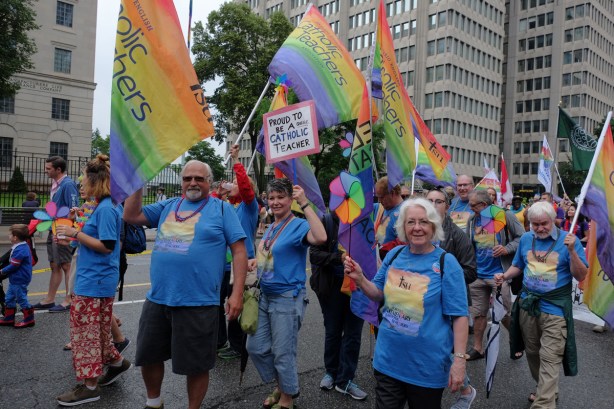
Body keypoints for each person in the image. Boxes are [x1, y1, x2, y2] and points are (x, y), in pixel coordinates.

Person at [124, 160, 248, 409]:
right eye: (188, 178)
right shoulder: (169, 205)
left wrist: (236, 294)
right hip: (158, 298)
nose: (193, 182)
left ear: (209, 182)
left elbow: (239, 252)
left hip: (199, 302)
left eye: (199, 179)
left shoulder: (223, 210)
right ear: (181, 182)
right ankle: (154, 401)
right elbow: (131, 215)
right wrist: (137, 184)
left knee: (197, 364)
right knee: (148, 356)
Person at [344, 198, 468, 409]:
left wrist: (459, 361)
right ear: (403, 227)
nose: (417, 228)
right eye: (411, 222)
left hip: (426, 366)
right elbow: (377, 293)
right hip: (388, 360)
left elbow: (459, 316)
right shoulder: (394, 255)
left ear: (433, 226)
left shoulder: (447, 263)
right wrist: (360, 278)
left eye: (423, 222)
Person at [54, 155, 131, 406]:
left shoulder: (107, 208)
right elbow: (95, 238)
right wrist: (74, 236)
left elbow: (107, 246)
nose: (81, 184)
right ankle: (118, 363)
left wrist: (75, 232)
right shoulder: (102, 205)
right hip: (95, 280)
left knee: (84, 334)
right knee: (97, 331)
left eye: (84, 180)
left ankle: (89, 387)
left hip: (95, 282)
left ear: (96, 181)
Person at [495, 202, 588, 407]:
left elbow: (581, 274)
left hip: (555, 309)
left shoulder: (569, 241)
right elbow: (519, 265)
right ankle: (546, 389)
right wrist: (505, 275)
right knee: (533, 352)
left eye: (544, 223)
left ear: (553, 219)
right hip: (528, 306)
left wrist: (572, 251)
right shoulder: (527, 239)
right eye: (534, 224)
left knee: (550, 356)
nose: (539, 228)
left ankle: (543, 402)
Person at [247, 178, 326, 409]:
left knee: (283, 353)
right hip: (264, 296)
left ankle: (286, 398)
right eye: (271, 198)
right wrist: (256, 260)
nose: (275, 202)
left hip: (287, 298)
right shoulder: (271, 227)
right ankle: (284, 385)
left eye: (281, 197)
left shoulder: (299, 224)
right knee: (255, 347)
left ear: (290, 199)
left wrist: (305, 204)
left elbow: (321, 238)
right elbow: (270, 254)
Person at [425, 189, 477, 409]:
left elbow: (471, 271)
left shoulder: (457, 235)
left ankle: (465, 390)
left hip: (449, 303)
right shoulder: (417, 230)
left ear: (447, 206)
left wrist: (445, 275)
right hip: (424, 300)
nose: (434, 204)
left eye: (439, 201)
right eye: (429, 201)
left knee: (444, 347)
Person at [309, 212, 367, 400]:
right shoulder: (327, 221)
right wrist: (339, 258)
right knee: (333, 331)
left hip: (358, 286)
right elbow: (315, 255)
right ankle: (331, 372)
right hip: (332, 286)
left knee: (353, 334)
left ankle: (345, 380)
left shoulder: (365, 222)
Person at [465, 190, 524, 361]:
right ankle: (478, 348)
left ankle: (516, 340)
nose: (470, 209)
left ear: (484, 205)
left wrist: (507, 248)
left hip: (499, 275)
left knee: (504, 312)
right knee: (478, 313)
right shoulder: (472, 219)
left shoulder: (505, 216)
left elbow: (522, 238)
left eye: (473, 206)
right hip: (477, 275)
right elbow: (470, 244)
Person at [217, 144, 259, 360]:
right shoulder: (227, 206)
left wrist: (236, 161)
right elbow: (212, 207)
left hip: (239, 266)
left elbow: (244, 186)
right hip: (221, 266)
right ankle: (220, 341)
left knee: (236, 307)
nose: (232, 184)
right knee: (215, 304)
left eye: (235, 184)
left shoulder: (249, 207)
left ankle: (237, 346)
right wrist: (219, 194)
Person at [33, 156, 79, 312]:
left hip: (62, 229)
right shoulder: (55, 184)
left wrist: (67, 232)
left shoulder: (68, 185)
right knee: (54, 265)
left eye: (48, 168)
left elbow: (74, 209)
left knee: (66, 265)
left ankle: (68, 299)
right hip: (53, 228)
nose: (46, 171)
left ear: (58, 169)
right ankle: (49, 299)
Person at [0, 224, 35, 328]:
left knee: (21, 299)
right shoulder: (21, 246)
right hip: (15, 279)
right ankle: (9, 318)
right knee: (9, 298)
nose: (8, 236)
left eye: (10, 234)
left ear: (15, 237)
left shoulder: (20, 250)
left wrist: (2, 271)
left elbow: (14, 265)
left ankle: (29, 319)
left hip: (19, 279)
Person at [374, 176, 404, 259]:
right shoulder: (379, 207)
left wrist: (383, 250)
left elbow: (404, 244)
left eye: (382, 197)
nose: (379, 200)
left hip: (392, 264)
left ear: (392, 193)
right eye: (378, 197)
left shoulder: (406, 213)